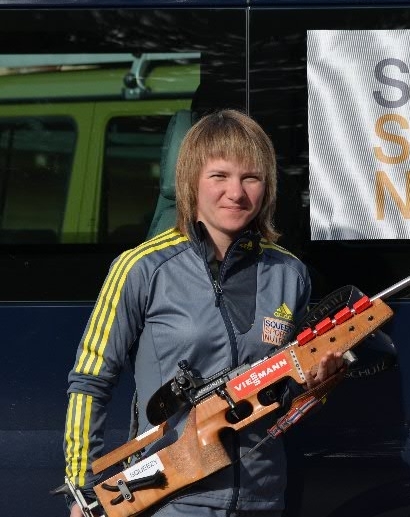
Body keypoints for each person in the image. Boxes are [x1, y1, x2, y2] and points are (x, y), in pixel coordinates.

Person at [63, 109, 343, 517]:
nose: (236, 192)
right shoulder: (142, 267)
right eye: (219, 176)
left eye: (251, 177)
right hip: (170, 497)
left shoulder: (290, 273)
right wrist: (84, 490)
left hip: (263, 499)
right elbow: (90, 381)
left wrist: (318, 385)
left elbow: (287, 397)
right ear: (190, 181)